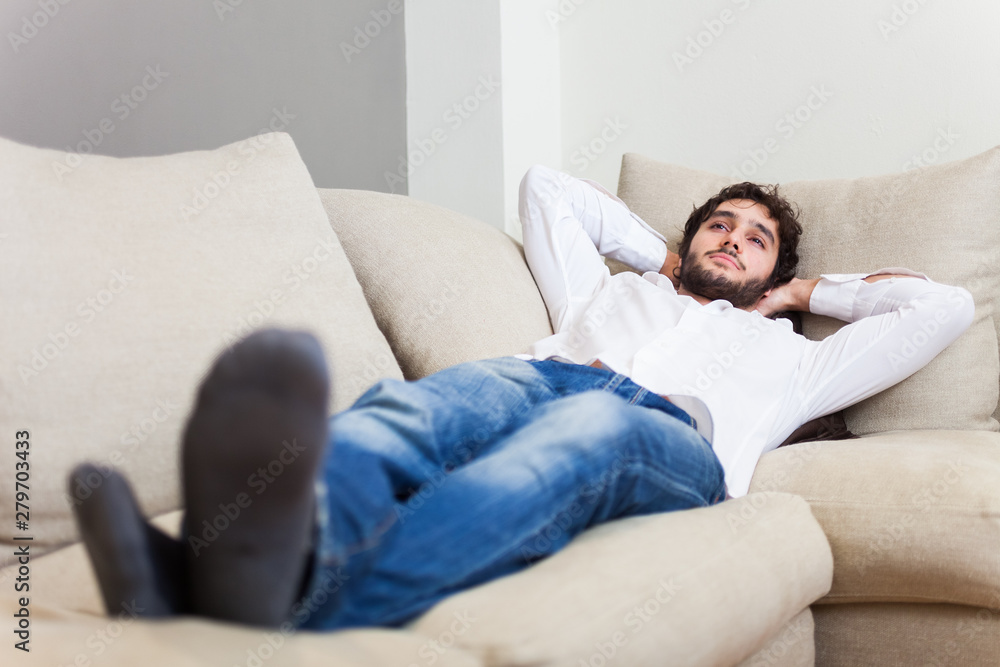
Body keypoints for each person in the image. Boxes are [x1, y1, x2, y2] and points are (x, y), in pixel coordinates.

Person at [70, 164, 974, 633]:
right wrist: (662, 261)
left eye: (758, 240)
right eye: (718, 226)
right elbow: (549, 188)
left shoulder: (795, 357)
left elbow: (943, 305)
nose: (734, 241)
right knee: (411, 409)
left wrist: (808, 296)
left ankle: (317, 611)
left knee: (580, 433)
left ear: (778, 266)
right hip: (535, 379)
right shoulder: (606, 294)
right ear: (687, 238)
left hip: (663, 438)